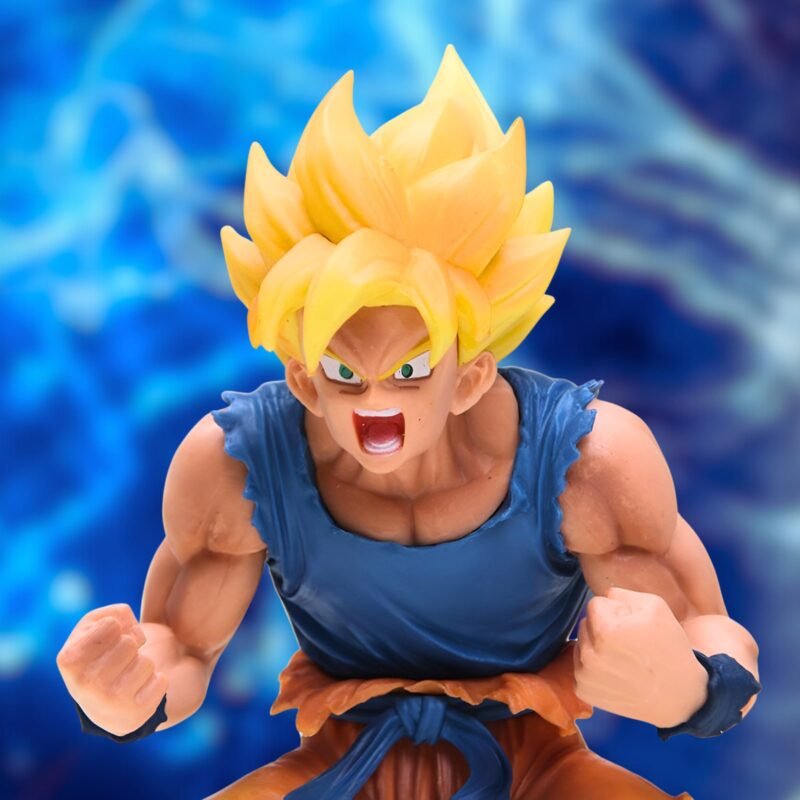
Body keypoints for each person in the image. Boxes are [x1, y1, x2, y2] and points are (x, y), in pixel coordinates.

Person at [56, 46, 760, 799]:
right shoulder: (237, 463)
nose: (375, 402)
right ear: (303, 377)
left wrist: (691, 688)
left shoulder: (588, 459)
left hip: (539, 767)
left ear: (470, 375)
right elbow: (182, 649)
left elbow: (710, 629)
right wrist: (120, 695)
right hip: (339, 762)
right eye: (345, 373)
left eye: (411, 369)